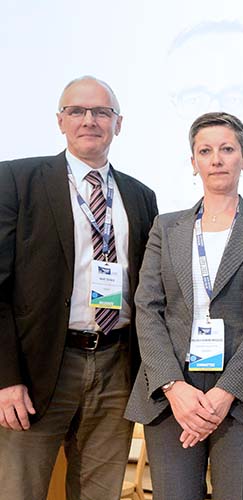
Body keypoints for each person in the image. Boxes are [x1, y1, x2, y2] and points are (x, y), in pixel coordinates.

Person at [0, 76, 158, 500]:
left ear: (118, 124)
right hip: (37, 372)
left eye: (101, 112)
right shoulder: (16, 180)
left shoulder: (141, 197)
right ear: (60, 120)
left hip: (116, 365)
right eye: (77, 111)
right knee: (19, 491)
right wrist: (6, 378)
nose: (89, 120)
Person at [124, 112, 243, 500]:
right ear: (193, 161)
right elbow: (147, 307)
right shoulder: (167, 227)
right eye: (205, 150)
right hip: (171, 394)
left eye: (227, 149)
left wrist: (224, 393)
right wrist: (174, 387)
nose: (217, 159)